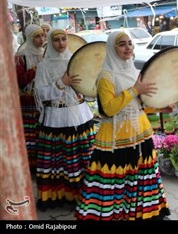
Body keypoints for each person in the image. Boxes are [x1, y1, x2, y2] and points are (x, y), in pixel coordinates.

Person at [75, 31, 170, 220]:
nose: (128, 47)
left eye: (130, 43)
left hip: (140, 132)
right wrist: (134, 90)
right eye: (122, 44)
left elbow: (139, 103)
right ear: (112, 48)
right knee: (116, 180)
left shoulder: (135, 72)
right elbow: (108, 109)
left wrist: (161, 107)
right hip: (115, 138)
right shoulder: (106, 76)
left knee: (141, 176)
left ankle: (143, 213)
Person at [34, 29, 96, 211]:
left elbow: (89, 88)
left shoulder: (76, 61)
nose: (61, 43)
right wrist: (62, 83)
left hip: (79, 115)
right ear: (50, 43)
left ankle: (83, 195)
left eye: (64, 39)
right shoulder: (44, 66)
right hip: (55, 118)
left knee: (80, 158)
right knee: (58, 160)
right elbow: (40, 94)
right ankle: (58, 195)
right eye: (56, 40)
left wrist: (85, 88)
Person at [15, 24, 46, 171]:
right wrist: (35, 70)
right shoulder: (21, 56)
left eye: (42, 35)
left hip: (44, 100)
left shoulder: (46, 53)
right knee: (30, 136)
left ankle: (41, 166)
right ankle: (29, 167)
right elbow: (19, 82)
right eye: (37, 36)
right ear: (29, 38)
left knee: (42, 134)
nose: (41, 39)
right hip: (28, 101)